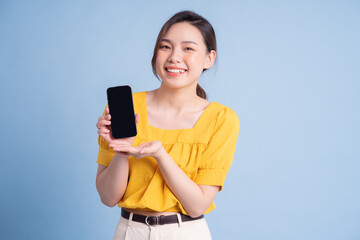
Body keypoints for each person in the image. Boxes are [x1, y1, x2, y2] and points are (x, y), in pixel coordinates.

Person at [95, 10, 240, 240]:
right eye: (165, 47)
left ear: (209, 58)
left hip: (185, 233)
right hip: (129, 231)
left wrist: (161, 155)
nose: (174, 57)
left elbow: (196, 206)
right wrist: (121, 152)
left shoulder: (221, 119)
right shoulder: (126, 108)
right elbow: (107, 197)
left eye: (188, 48)